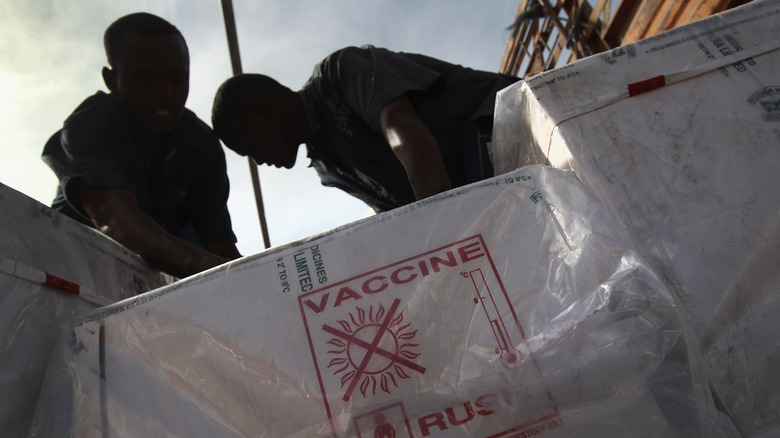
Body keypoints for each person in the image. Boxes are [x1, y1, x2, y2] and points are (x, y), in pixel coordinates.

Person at [42, 12, 241, 278]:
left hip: (157, 274)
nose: (165, 92)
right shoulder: (90, 125)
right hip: (73, 267)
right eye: (146, 78)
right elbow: (113, 219)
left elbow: (221, 249)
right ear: (112, 81)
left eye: (177, 78)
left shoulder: (201, 143)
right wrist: (224, 276)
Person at [211, 45, 519, 213]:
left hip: (516, 125)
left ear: (261, 109)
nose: (257, 161)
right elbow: (396, 216)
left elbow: (401, 129)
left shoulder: (338, 75)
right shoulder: (328, 168)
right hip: (492, 194)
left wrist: (447, 230)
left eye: (247, 147)